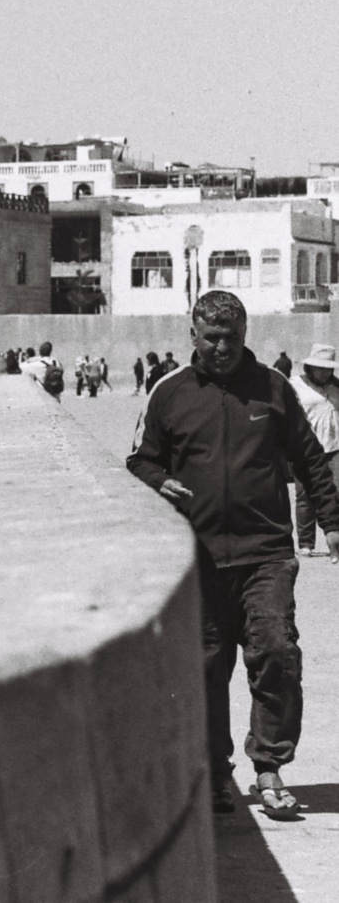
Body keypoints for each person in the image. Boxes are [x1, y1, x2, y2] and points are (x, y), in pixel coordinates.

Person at [127, 291, 339, 821]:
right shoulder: (169, 392)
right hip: (196, 555)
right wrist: (159, 480)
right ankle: (217, 772)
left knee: (276, 653)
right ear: (193, 336)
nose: (223, 348)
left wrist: (333, 523)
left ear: (246, 336)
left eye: (233, 338)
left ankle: (269, 767)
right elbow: (140, 461)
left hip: (265, 551)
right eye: (212, 338)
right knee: (204, 667)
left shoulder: (273, 388)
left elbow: (310, 460)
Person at [290, 344, 339, 557]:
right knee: (305, 495)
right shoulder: (295, 384)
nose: (324, 372)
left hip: (334, 446)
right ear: (310, 367)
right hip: (305, 448)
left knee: (336, 492)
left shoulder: (336, 386)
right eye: (320, 368)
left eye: (328, 368)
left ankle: (335, 540)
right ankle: (306, 543)